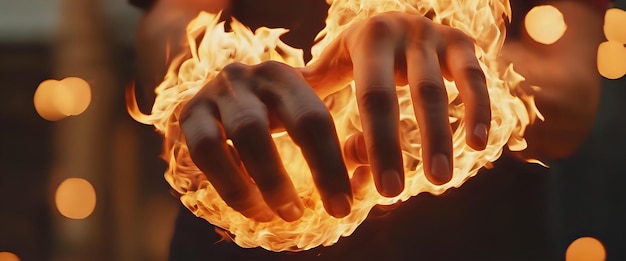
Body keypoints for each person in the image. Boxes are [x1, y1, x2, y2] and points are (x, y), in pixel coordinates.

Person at [130, 0, 607, 259]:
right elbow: (166, 21)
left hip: (476, 240)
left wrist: (462, 56)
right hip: (243, 234)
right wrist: (210, 71)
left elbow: (571, 103)